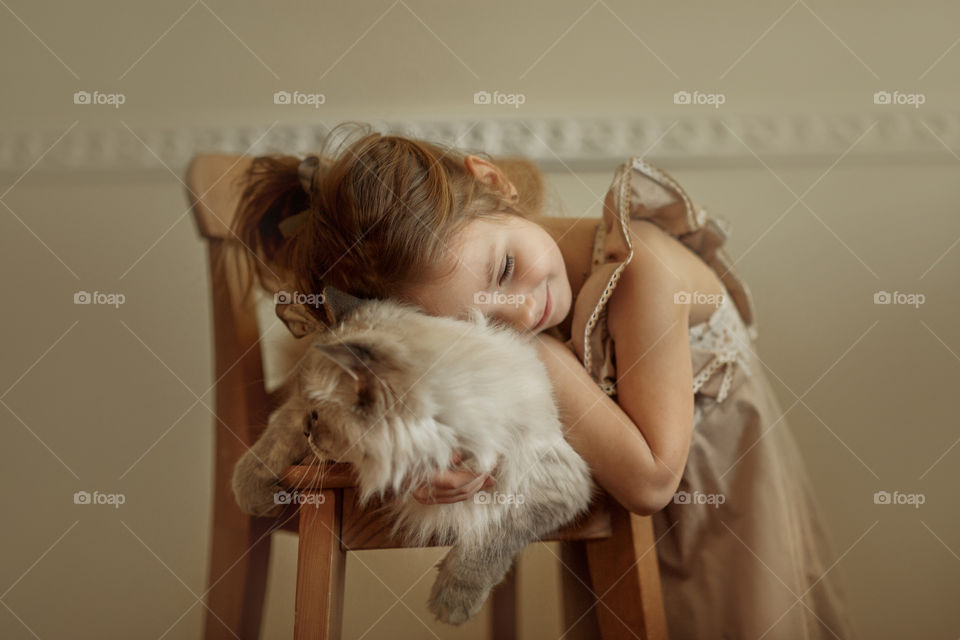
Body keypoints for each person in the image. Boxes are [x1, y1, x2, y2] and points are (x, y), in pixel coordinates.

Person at [231, 121, 858, 639]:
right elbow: (469, 408)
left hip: (716, 502)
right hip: (605, 518)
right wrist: (461, 463)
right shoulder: (488, 288)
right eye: (478, 324)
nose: (525, 314)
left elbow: (651, 478)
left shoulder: (642, 275)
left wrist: (543, 357)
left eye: (505, 269)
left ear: (493, 181)